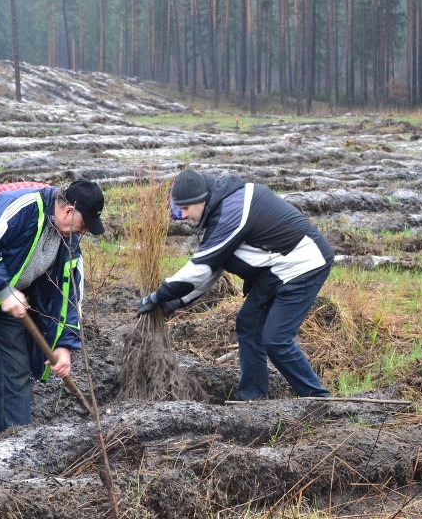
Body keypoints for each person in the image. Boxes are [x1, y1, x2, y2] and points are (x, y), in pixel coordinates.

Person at [0, 179, 105, 443]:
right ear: (68, 211)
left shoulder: (69, 241)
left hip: (13, 299)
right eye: (84, 226)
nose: (84, 233)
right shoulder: (23, 205)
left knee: (18, 373)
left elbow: (70, 296)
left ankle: (16, 443)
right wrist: (4, 290)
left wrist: (65, 345)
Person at [136, 169, 334, 399]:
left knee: (276, 339)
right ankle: (252, 398)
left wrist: (158, 295)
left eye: (186, 209)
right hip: (277, 267)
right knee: (248, 324)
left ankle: (318, 399)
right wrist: (176, 300)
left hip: (305, 263)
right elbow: (214, 267)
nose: (184, 216)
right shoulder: (222, 209)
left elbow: (201, 269)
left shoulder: (232, 212)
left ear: (200, 201)